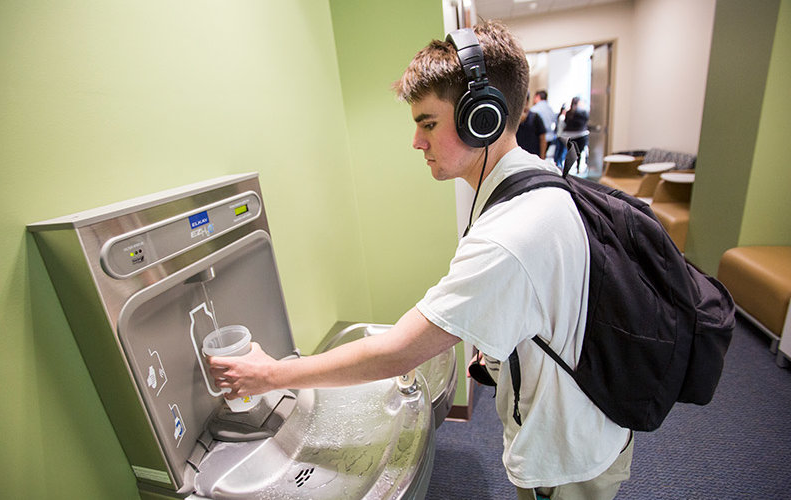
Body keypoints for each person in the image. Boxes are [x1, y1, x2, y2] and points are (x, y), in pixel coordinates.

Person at [207, 21, 633, 500]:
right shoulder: (538, 182)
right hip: (590, 417)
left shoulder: (508, 235)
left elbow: (398, 352)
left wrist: (269, 374)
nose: (416, 141)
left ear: (482, 118)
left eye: (428, 122)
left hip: (568, 455)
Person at [555, 97, 590, 170]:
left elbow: (565, 123)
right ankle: (578, 167)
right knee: (579, 153)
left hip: (569, 135)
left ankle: (567, 168)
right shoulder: (583, 112)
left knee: (570, 153)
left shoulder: (569, 112)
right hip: (581, 135)